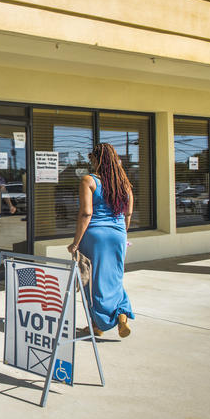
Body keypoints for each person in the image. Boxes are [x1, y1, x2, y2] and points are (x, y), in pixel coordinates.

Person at [67, 143, 134, 338]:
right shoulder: (124, 183)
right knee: (114, 277)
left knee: (92, 280)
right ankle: (122, 312)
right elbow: (128, 213)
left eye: (92, 159)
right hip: (119, 234)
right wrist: (121, 233)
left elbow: (86, 213)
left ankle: (98, 324)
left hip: (95, 235)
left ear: (96, 160)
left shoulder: (89, 180)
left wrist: (76, 242)